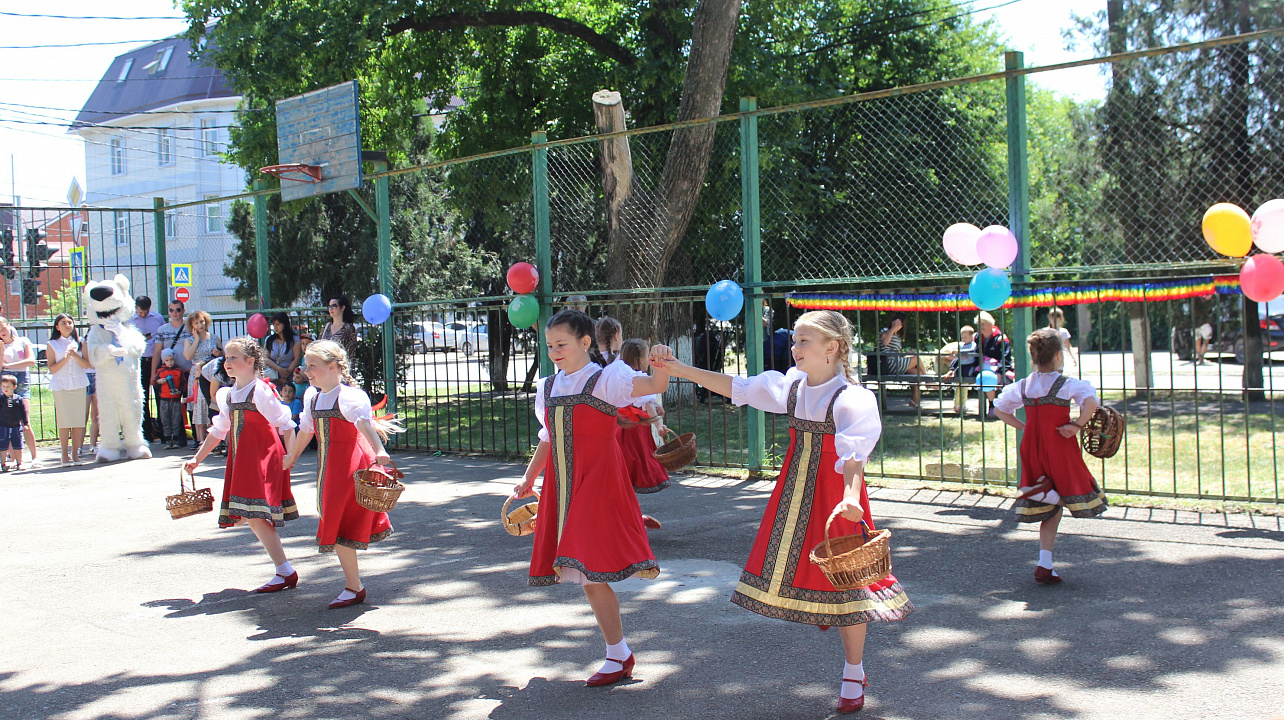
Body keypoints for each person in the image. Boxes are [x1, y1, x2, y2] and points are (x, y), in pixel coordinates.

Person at [650, 310, 912, 715]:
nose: (794, 348)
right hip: (795, 493)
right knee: (816, 577)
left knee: (849, 584)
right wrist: (678, 367)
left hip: (836, 495)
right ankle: (831, 623)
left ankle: (853, 671)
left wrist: (851, 497)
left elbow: (853, 459)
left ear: (833, 348)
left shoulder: (853, 398)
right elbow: (737, 386)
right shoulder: (792, 386)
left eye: (803, 341)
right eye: (795, 341)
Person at [510, 309, 671, 687]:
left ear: (585, 342)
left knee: (588, 568)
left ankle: (618, 654)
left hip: (598, 484)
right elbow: (548, 439)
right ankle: (619, 653)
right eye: (549, 345)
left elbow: (653, 385)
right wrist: (529, 478)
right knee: (587, 575)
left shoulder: (607, 379)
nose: (554, 351)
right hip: (563, 486)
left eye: (561, 344)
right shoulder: (548, 387)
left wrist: (660, 361)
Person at [283, 340, 403, 608]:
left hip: (349, 465)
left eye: (312, 365)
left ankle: (353, 586)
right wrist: (291, 456)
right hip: (328, 468)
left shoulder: (349, 395)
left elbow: (364, 424)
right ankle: (354, 585)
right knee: (334, 519)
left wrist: (380, 450)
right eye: (306, 364)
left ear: (333, 367)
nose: (306, 369)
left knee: (337, 520)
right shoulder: (312, 397)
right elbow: (306, 430)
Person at [992, 328, 1108, 585]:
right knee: (1072, 493)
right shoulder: (1067, 384)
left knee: (1051, 510)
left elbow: (999, 409)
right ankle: (1048, 493)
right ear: (1058, 356)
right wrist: (1076, 425)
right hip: (1059, 444)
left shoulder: (1023, 385)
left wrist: (1024, 427)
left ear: (1033, 356)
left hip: (1032, 446)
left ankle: (1045, 564)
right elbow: (1091, 403)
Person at [183, 338, 299, 593]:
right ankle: (284, 571)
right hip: (242, 459)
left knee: (254, 515)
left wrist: (290, 457)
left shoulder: (261, 391)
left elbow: (285, 424)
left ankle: (285, 571)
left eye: (234, 358)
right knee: (251, 514)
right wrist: (197, 458)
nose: (227, 362)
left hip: (262, 458)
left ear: (250, 362)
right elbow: (219, 430)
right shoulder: (228, 394)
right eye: (226, 358)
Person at [615, 339, 670, 529]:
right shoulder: (637, 378)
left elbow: (645, 403)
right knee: (630, 473)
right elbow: (646, 405)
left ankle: (631, 515)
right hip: (634, 434)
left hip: (619, 430)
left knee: (622, 476)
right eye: (647, 357)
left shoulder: (618, 376)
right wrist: (659, 425)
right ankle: (631, 518)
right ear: (640, 359)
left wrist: (654, 405)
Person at [45, 314, 91, 466]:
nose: (67, 325)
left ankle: (75, 454)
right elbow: (52, 368)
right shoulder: (52, 344)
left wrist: (74, 355)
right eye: (63, 323)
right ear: (57, 327)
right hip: (61, 385)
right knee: (65, 420)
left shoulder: (80, 342)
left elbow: (86, 364)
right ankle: (64, 454)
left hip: (78, 383)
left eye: (69, 322)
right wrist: (65, 358)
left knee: (78, 420)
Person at [150, 300, 194, 447]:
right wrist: (153, 374)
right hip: (170, 374)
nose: (174, 313)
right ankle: (174, 436)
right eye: (171, 310)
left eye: (177, 309)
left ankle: (196, 435)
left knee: (191, 404)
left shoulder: (190, 327)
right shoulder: (163, 330)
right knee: (172, 407)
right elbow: (157, 352)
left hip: (187, 371)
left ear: (183, 310)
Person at [0, 319, 40, 466]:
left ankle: (34, 456)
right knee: (7, 419)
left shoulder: (23, 341)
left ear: (9, 325)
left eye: (3, 327)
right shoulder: (1, 345)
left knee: (25, 418)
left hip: (21, 380)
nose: (2, 332)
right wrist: (1, 352)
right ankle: (14, 458)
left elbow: (31, 361)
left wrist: (9, 365)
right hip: (5, 381)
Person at [183, 310, 223, 446]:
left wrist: (218, 353)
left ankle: (216, 438)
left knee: (212, 403)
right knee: (198, 404)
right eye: (196, 323)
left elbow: (222, 354)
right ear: (192, 325)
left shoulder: (214, 337)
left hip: (212, 370)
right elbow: (188, 356)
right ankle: (199, 439)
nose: (200, 324)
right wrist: (196, 340)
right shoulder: (189, 340)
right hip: (197, 373)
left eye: (202, 321)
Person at [132, 295, 165, 439]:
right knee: (142, 395)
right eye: (140, 312)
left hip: (156, 360)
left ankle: (164, 431)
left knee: (160, 395)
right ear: (136, 308)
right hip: (139, 361)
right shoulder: (130, 320)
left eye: (145, 312)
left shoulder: (157, 318)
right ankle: (146, 432)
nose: (143, 315)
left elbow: (162, 336)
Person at [877, 312, 927, 407]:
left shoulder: (897, 337)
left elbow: (895, 353)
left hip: (896, 362)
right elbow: (885, 343)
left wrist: (906, 355)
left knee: (917, 373)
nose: (898, 324)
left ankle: (914, 401)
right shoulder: (885, 331)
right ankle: (929, 381)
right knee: (916, 359)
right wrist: (892, 329)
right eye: (897, 321)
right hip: (888, 364)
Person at [975, 311, 1014, 417]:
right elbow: (976, 354)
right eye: (979, 324)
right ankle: (992, 405)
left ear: (990, 324)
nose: (980, 327)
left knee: (993, 379)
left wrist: (1000, 371)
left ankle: (998, 406)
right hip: (982, 368)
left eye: (983, 324)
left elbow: (1005, 357)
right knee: (985, 378)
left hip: (999, 367)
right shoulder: (978, 337)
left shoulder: (1001, 338)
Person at [944, 325, 980, 414]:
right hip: (961, 366)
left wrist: (959, 352)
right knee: (958, 386)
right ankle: (956, 404)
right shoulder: (961, 345)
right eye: (962, 337)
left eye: (965, 337)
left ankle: (963, 404)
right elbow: (957, 358)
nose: (963, 339)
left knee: (964, 385)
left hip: (969, 366)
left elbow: (971, 351)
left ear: (971, 337)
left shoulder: (973, 345)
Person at [154, 348, 186, 450]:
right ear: (163, 360)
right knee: (165, 420)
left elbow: (183, 384)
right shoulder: (160, 371)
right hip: (164, 399)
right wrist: (158, 382)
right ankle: (168, 440)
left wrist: (179, 391)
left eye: (171, 360)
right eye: (167, 360)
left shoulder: (179, 371)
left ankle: (175, 440)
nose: (170, 362)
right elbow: (154, 382)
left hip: (175, 399)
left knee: (176, 420)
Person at [264, 312, 301, 388]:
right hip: (273, 375)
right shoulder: (269, 339)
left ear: (285, 324)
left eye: (278, 324)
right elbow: (265, 358)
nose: (275, 327)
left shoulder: (295, 339)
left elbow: (297, 359)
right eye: (274, 325)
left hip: (289, 374)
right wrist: (279, 369)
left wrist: (286, 374)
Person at [0, 374, 28, 471]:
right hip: (3, 426)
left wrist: (25, 423)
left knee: (18, 445)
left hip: (16, 425)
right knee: (3, 445)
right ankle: (3, 464)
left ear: (14, 387)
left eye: (8, 386)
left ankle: (19, 462)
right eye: (3, 386)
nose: (5, 389)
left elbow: (24, 412)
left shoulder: (18, 399)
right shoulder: (1, 399)